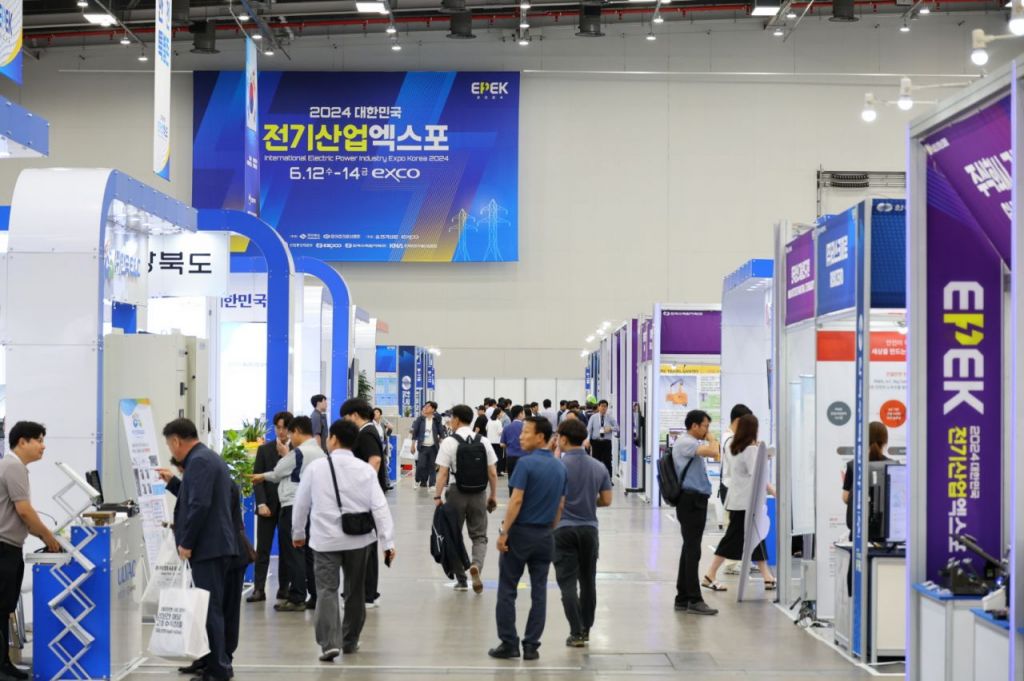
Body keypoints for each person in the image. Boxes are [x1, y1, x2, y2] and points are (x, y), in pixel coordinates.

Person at [292, 420, 396, 661]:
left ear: (334, 439)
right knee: (355, 591)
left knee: (327, 590)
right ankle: (349, 640)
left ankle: (329, 643)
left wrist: (298, 534)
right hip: (359, 541)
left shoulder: (316, 468)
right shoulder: (365, 470)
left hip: (325, 540)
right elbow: (380, 507)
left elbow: (301, 504)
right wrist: (388, 542)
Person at [156, 418, 238, 681]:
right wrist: (174, 482)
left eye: (169, 445)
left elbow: (199, 505)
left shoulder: (199, 461)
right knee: (204, 608)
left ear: (176, 441)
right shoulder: (205, 458)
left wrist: (187, 542)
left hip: (208, 547)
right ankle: (207, 660)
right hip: (212, 546)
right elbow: (196, 497)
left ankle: (218, 669)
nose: (171, 450)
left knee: (209, 609)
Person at [489, 417, 567, 662]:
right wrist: (550, 529)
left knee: (507, 589)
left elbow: (516, 500)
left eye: (526, 432)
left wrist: (504, 532)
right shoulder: (560, 467)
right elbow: (560, 505)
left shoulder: (525, 464)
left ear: (541, 437)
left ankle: (509, 643)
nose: (521, 437)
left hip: (520, 533)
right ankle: (532, 646)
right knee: (539, 591)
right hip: (545, 535)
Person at [0, 422, 60, 681]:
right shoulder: (13, 467)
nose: (43, 446)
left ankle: (4, 663)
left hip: (10, 547)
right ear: (22, 442)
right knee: (1, 608)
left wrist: (43, 534)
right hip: (4, 548)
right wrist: (48, 537)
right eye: (39, 440)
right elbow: (24, 511)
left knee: (5, 608)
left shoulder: (13, 466)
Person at [250, 416, 325, 612]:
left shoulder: (298, 452)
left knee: (293, 552)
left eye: (291, 432)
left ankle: (297, 596)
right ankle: (314, 595)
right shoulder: (320, 452)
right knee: (308, 553)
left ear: (297, 431)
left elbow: (278, 471)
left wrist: (285, 455)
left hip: (292, 506)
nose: (288, 435)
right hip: (312, 506)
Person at [552, 419, 612, 647]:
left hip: (563, 530)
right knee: (588, 581)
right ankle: (586, 629)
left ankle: (576, 632)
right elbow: (607, 500)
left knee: (567, 583)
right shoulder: (599, 467)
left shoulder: (557, 466)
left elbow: (552, 500)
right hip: (589, 529)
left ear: (564, 439)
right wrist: (588, 501)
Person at [702, 414, 776, 592]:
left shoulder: (734, 447)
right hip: (747, 502)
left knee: (755, 537)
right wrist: (765, 459)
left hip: (737, 500)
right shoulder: (750, 449)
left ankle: (767, 576)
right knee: (734, 538)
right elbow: (756, 473)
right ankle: (710, 574)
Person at [434, 404, 499, 593]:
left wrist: (437, 496)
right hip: (479, 493)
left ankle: (461, 580)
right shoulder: (483, 441)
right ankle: (476, 565)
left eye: (451, 418)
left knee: (453, 535)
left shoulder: (449, 442)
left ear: (456, 419)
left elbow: (442, 473)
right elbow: (492, 472)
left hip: (456, 493)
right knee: (479, 536)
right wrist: (493, 495)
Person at [672, 409, 720, 616]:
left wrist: (707, 435)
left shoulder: (688, 442)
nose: (707, 430)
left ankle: (682, 597)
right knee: (693, 551)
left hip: (694, 500)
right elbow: (714, 451)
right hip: (690, 501)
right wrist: (711, 437)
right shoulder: (687, 442)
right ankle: (694, 599)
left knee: (689, 549)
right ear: (694, 426)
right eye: (705, 426)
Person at [340, 398, 387, 608]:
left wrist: (362, 488)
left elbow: (374, 460)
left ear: (355, 415)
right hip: (368, 496)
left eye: (346, 417)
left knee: (364, 545)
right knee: (366, 544)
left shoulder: (366, 433)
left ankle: (366, 595)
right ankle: (368, 593)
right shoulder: (369, 431)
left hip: (366, 498)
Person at [248, 410, 293, 604]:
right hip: (267, 506)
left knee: (287, 549)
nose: (280, 432)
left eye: (284, 428)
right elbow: (257, 479)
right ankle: (259, 589)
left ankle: (284, 588)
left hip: (287, 507)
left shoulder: (296, 452)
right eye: (277, 427)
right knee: (263, 549)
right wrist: (261, 503)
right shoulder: (264, 450)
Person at [843, 421, 894, 531]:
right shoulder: (892, 466)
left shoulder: (853, 465)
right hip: (884, 529)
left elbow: (846, 497)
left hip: (858, 530)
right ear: (885, 440)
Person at [411, 402, 445, 488]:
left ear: (433, 409)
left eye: (428, 406)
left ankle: (432, 484)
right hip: (422, 447)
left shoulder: (436, 420)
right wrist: (412, 445)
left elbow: (441, 431)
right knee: (421, 465)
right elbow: (415, 433)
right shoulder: (420, 419)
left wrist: (442, 442)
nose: (426, 408)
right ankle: (418, 480)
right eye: (425, 406)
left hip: (433, 447)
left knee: (432, 466)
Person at [586, 400, 618, 481]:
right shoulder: (593, 417)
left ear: (607, 407)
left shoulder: (610, 417)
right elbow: (589, 430)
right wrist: (587, 440)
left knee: (607, 460)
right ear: (598, 407)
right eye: (602, 406)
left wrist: (610, 428)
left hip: (606, 442)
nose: (604, 408)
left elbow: (617, 428)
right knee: (596, 460)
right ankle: (596, 478)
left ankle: (609, 479)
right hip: (596, 442)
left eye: (605, 406)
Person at [500, 406, 527, 486]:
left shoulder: (507, 427)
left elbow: (502, 444)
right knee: (523, 481)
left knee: (511, 480)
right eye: (523, 413)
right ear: (520, 414)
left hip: (511, 457)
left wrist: (510, 445)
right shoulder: (525, 427)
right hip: (523, 457)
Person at [486, 408, 506, 476]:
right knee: (499, 457)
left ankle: (491, 470)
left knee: (491, 457)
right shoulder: (498, 422)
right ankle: (498, 471)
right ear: (498, 414)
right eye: (501, 413)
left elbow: (486, 429)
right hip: (497, 442)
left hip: (490, 441)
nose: (502, 414)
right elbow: (500, 432)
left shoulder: (489, 421)